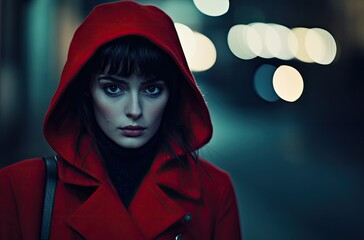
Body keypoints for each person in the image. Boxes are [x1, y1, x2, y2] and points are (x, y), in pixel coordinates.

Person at [0, 1, 242, 239]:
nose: (134, 110)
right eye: (114, 89)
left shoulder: (215, 191)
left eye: (152, 89)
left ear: (173, 94)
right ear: (86, 91)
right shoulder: (20, 190)